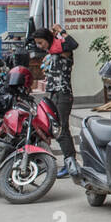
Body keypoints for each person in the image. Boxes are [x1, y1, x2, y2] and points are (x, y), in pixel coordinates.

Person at [33, 23, 80, 177]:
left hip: (63, 94)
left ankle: (70, 162)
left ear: (48, 39)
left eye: (41, 42)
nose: (40, 46)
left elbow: (73, 44)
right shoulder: (53, 51)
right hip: (54, 94)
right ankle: (69, 161)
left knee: (60, 129)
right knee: (59, 129)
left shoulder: (63, 50)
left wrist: (62, 31)